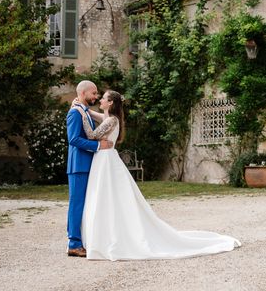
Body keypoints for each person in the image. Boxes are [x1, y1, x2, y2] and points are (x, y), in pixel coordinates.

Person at [76, 89, 241, 260]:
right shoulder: (110, 119)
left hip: (106, 160)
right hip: (105, 159)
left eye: (103, 98)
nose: (99, 99)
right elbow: (98, 117)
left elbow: (92, 135)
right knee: (110, 197)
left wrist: (81, 113)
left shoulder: (110, 120)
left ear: (110, 103)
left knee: (108, 196)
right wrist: (86, 109)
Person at [66, 80, 113, 257]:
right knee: (76, 204)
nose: (96, 96)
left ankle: (78, 240)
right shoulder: (75, 113)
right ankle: (74, 244)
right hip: (78, 165)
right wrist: (98, 146)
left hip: (88, 164)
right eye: (93, 93)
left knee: (83, 204)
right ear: (83, 93)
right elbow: (74, 139)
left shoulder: (84, 111)